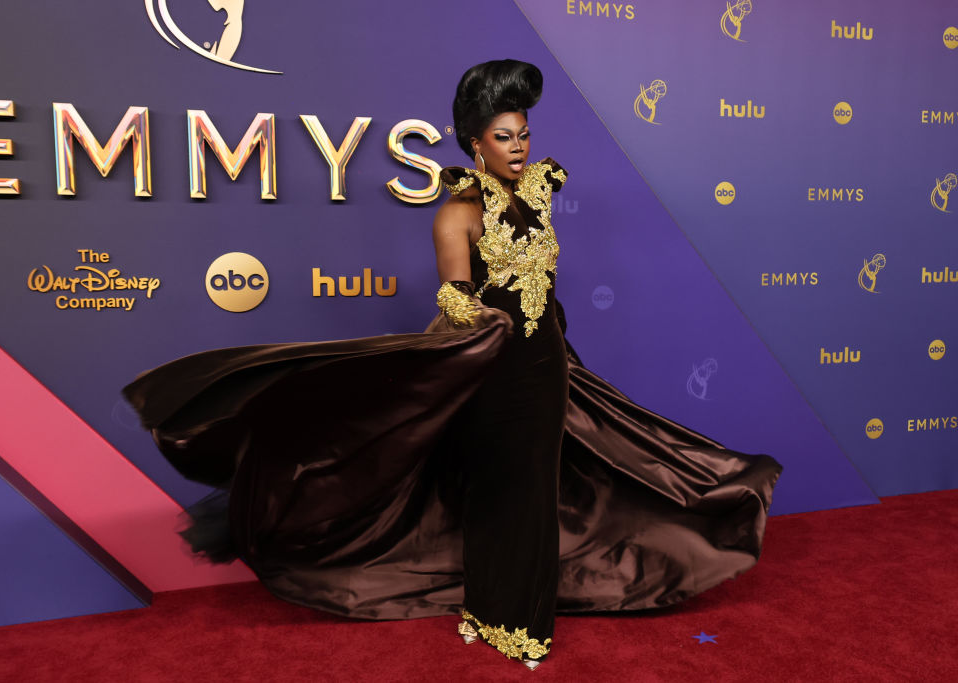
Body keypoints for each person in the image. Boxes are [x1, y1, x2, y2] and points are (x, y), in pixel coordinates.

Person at [123, 59, 782, 671]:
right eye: (504, 136)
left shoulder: (536, 198)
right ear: (475, 144)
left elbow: (543, 291)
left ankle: (518, 618)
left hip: (546, 363)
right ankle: (498, 614)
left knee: (537, 489)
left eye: (523, 133)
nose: (519, 146)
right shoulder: (455, 216)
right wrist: (470, 323)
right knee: (500, 489)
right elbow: (458, 300)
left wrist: (554, 339)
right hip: (495, 371)